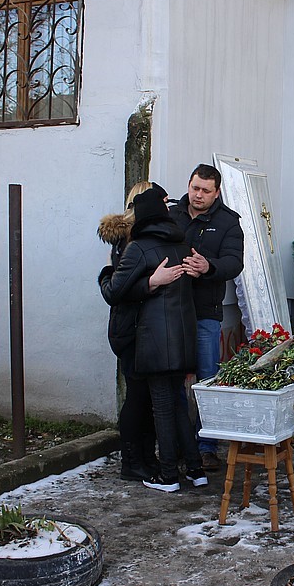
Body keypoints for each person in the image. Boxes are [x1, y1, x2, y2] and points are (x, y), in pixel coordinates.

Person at [99, 186, 206, 492]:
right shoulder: (182, 245)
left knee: (158, 406)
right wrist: (151, 282)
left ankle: (169, 475)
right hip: (183, 337)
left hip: (154, 341)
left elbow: (113, 293)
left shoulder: (139, 247)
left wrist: (106, 272)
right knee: (176, 404)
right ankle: (195, 469)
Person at [170, 163, 244, 470]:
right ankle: (174, 441)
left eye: (205, 191)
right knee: (170, 376)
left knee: (207, 380)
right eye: (194, 188)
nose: (198, 195)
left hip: (205, 311)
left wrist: (209, 268)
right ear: (188, 185)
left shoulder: (228, 223)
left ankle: (206, 446)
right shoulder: (172, 214)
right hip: (170, 309)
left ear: (216, 193)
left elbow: (234, 262)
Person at [97, 181, 163, 482]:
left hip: (138, 326)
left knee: (143, 396)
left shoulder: (133, 237)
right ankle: (132, 461)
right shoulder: (131, 240)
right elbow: (117, 288)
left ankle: (144, 458)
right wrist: (152, 283)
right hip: (130, 328)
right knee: (137, 397)